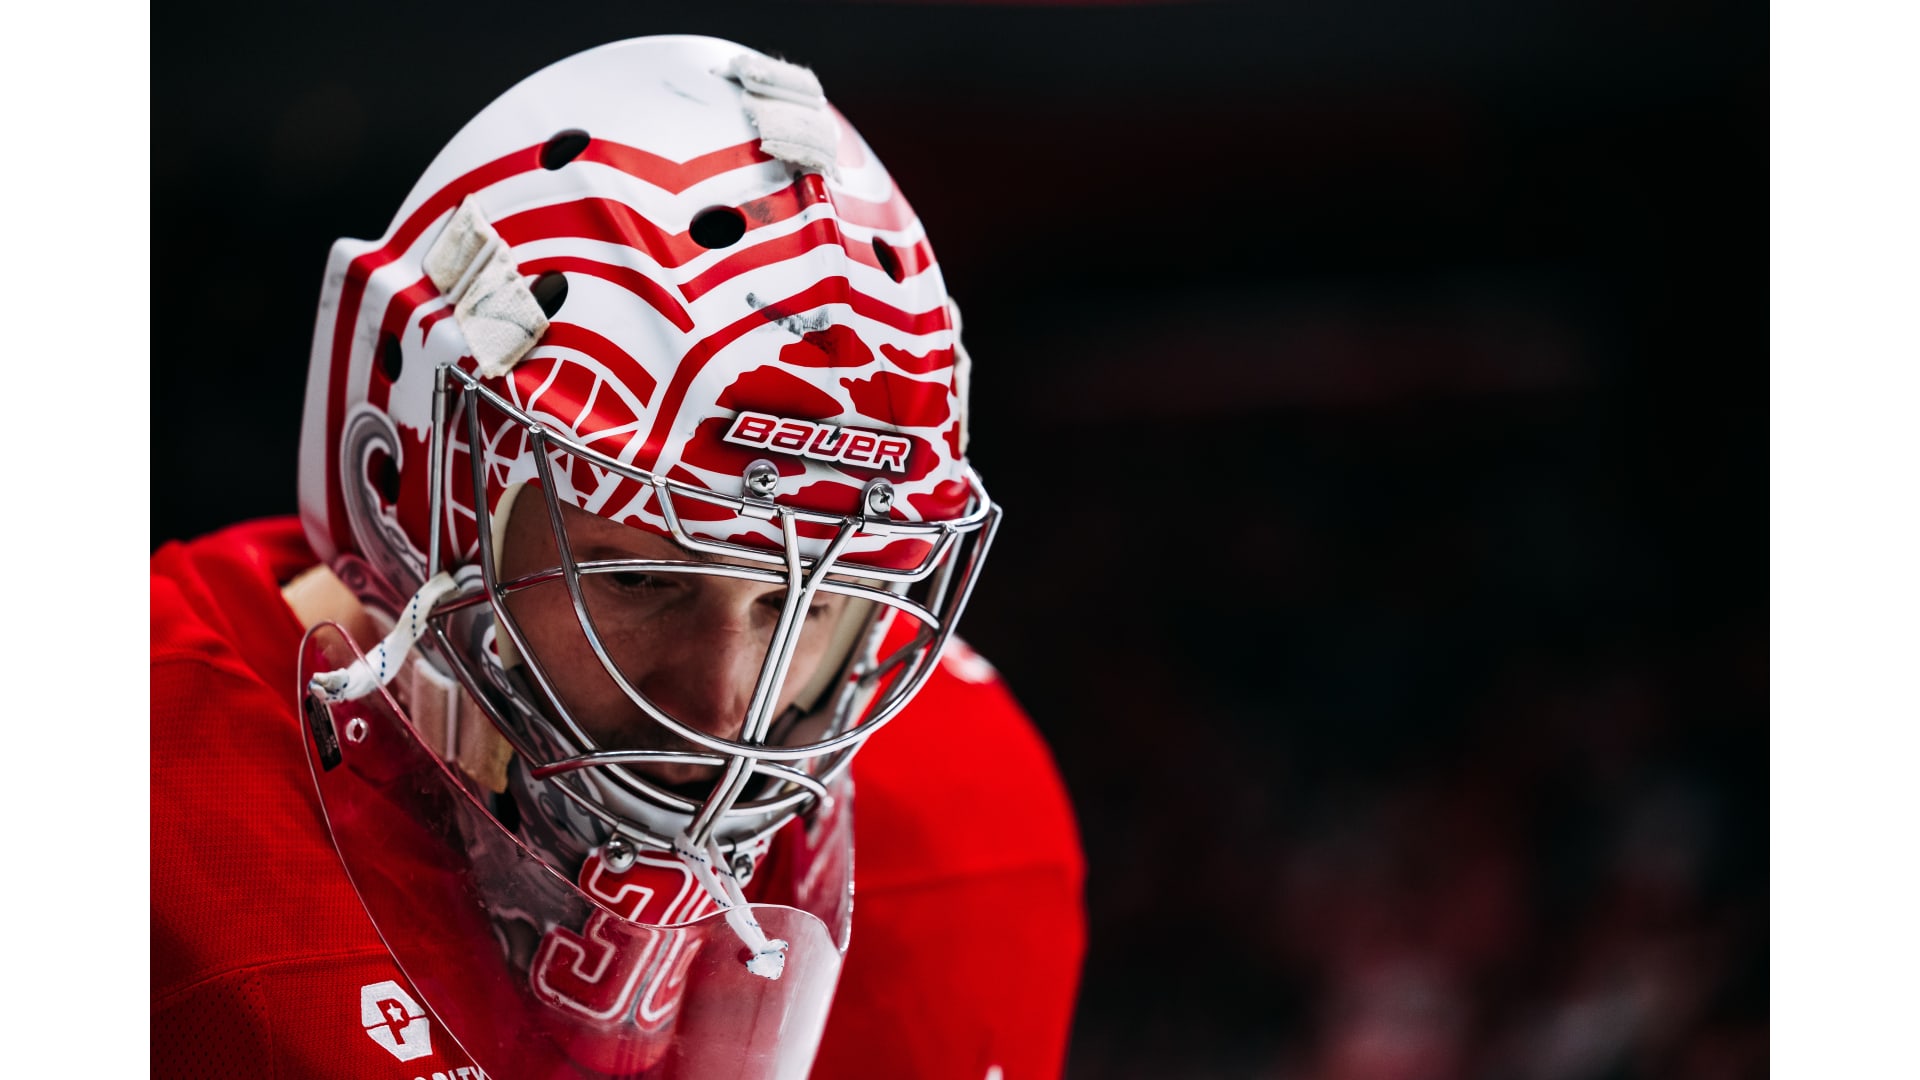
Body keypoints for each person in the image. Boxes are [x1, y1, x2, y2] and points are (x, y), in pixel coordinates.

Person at [151, 35, 1084, 1079]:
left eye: (808, 602)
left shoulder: (973, 833)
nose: (725, 709)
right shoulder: (153, 799)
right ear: (421, 491)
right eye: (640, 579)